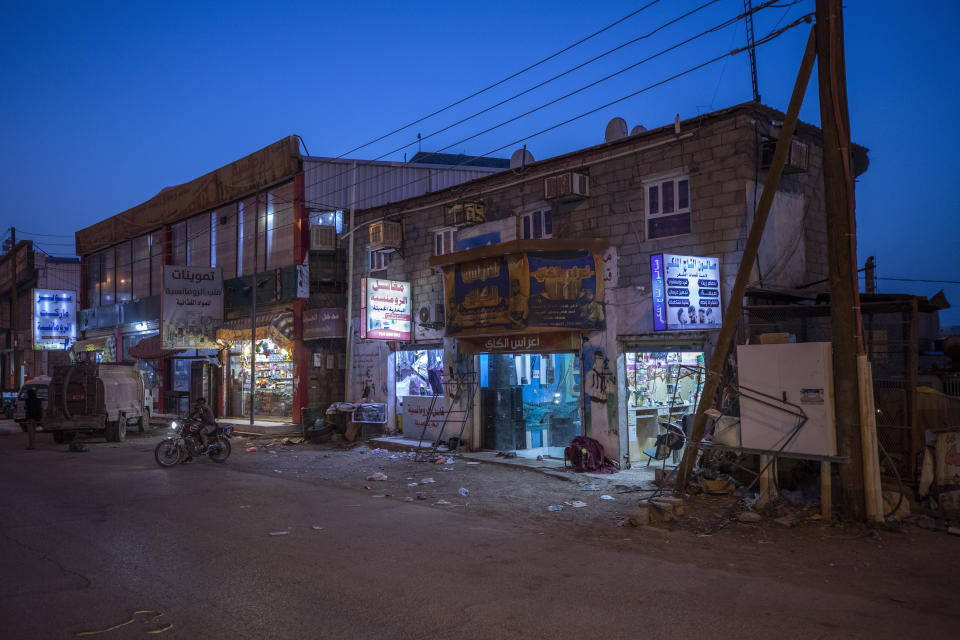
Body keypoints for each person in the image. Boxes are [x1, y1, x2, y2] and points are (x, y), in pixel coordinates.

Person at [186, 397, 217, 462]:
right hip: (204, 424)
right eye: (198, 403)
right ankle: (191, 454)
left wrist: (196, 409)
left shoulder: (205, 407)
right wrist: (187, 418)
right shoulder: (200, 409)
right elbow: (195, 414)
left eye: (199, 403)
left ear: (203, 403)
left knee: (202, 432)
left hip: (211, 425)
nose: (198, 404)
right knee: (192, 431)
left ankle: (205, 447)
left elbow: (197, 412)